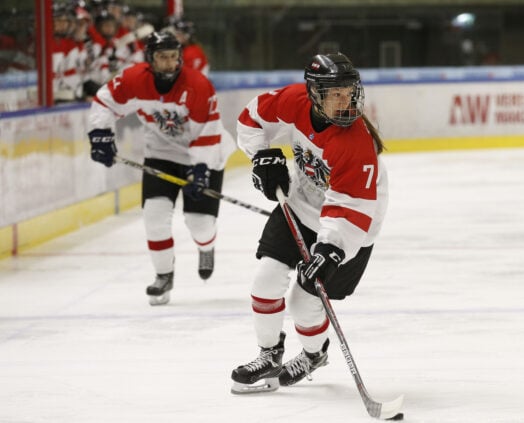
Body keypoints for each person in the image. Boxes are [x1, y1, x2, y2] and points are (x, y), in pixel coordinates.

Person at [230, 53, 388, 393]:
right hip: (300, 206)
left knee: (303, 302)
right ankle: (269, 355)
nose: (346, 101)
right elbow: (251, 117)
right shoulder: (292, 102)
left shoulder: (356, 141)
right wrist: (261, 155)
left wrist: (331, 247)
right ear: (315, 93)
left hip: (351, 228)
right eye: (336, 94)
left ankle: (314, 354)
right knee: (265, 280)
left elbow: (351, 205)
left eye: (349, 92)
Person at [87, 31, 236, 306]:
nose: (169, 63)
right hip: (161, 154)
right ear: (150, 59)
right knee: (154, 218)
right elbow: (104, 101)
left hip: (206, 154)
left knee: (199, 224)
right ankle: (163, 276)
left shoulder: (198, 85)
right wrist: (100, 134)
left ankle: (207, 245)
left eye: (173, 57)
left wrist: (200, 169)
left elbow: (209, 131)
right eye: (162, 57)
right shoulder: (134, 80)